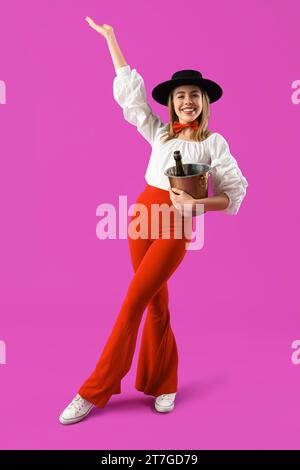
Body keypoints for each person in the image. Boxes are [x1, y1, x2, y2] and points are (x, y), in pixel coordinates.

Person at [59, 17, 248, 425]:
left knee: (131, 304)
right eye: (181, 95)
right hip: (142, 216)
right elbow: (132, 97)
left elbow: (235, 192)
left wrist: (197, 206)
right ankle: (165, 383)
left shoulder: (214, 143)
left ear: (203, 102)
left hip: (178, 224)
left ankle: (94, 390)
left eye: (194, 96)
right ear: (173, 102)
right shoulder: (159, 133)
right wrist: (111, 39)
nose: (187, 102)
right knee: (157, 303)